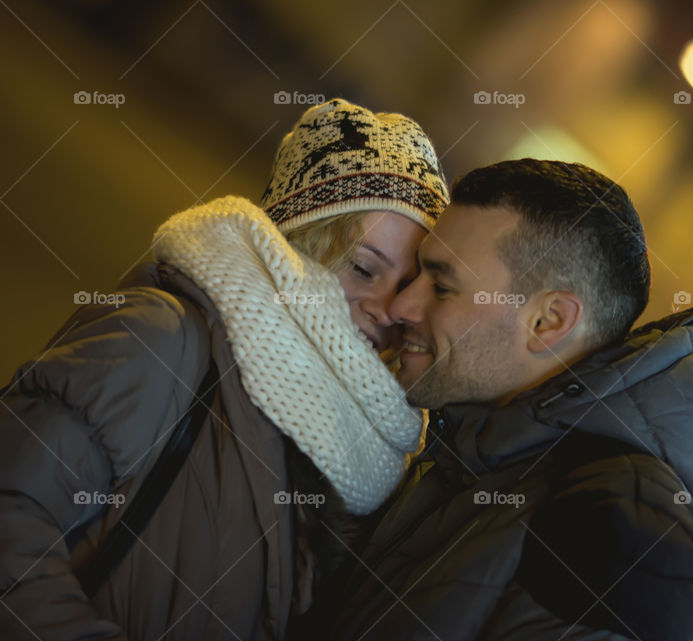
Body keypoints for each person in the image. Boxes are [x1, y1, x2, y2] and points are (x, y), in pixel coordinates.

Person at [0, 98, 449, 641]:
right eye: (362, 267)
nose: (385, 309)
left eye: (405, 286)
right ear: (296, 242)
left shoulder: (373, 449)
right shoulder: (161, 336)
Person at [328, 158, 693, 641]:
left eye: (442, 286)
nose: (401, 307)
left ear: (548, 322)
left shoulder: (623, 538)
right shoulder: (470, 450)